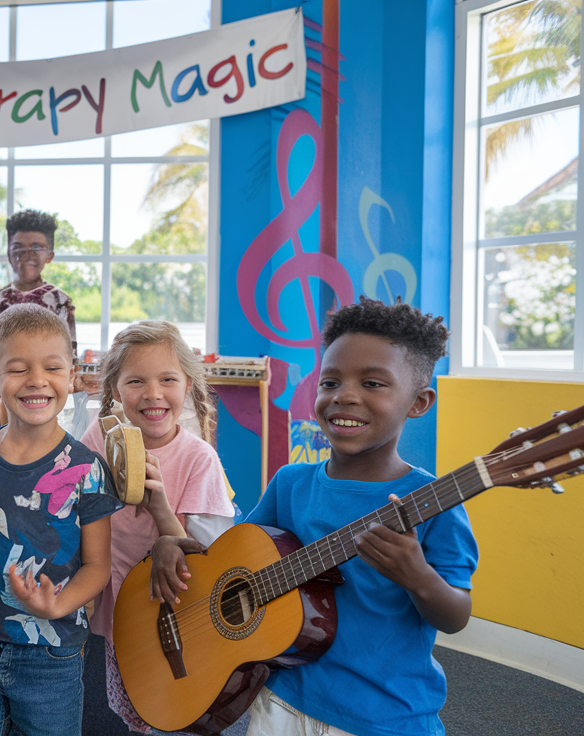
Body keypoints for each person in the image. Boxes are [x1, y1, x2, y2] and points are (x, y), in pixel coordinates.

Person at [155, 298, 478, 736]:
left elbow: (456, 616)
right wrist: (173, 540)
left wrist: (417, 576)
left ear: (419, 402)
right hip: (280, 699)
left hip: (383, 715)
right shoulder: (290, 483)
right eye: (331, 381)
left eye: (373, 384)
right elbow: (233, 562)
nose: (345, 396)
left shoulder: (434, 502)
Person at [0, 304, 123, 736]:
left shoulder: (88, 469)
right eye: (18, 369)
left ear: (72, 377)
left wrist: (56, 604)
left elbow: (99, 566)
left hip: (53, 653)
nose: (37, 380)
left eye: (52, 368)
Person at [77, 320, 235, 733]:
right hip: (122, 610)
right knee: (134, 710)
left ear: (187, 384)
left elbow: (214, 557)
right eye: (135, 381)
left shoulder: (198, 459)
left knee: (179, 708)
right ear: (114, 390)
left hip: (184, 614)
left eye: (168, 379)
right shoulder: (99, 437)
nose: (153, 394)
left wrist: (160, 508)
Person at [0, 210, 76, 349]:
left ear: (50, 256)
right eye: (18, 249)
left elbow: (69, 352)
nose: (27, 255)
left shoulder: (60, 301)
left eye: (36, 248)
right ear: (9, 254)